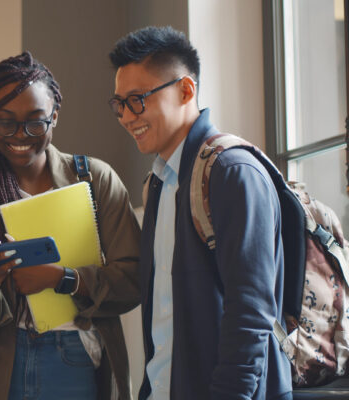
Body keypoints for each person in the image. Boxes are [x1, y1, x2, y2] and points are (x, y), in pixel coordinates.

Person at [0, 51, 141, 400]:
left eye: (35, 121)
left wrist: (63, 278)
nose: (21, 135)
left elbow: (134, 279)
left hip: (74, 354)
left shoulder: (94, 179)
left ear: (55, 116)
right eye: (5, 122)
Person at [108, 26, 292, 400]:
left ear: (186, 90)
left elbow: (251, 315)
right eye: (119, 104)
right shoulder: (158, 183)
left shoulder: (232, 173)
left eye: (137, 100)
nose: (127, 117)